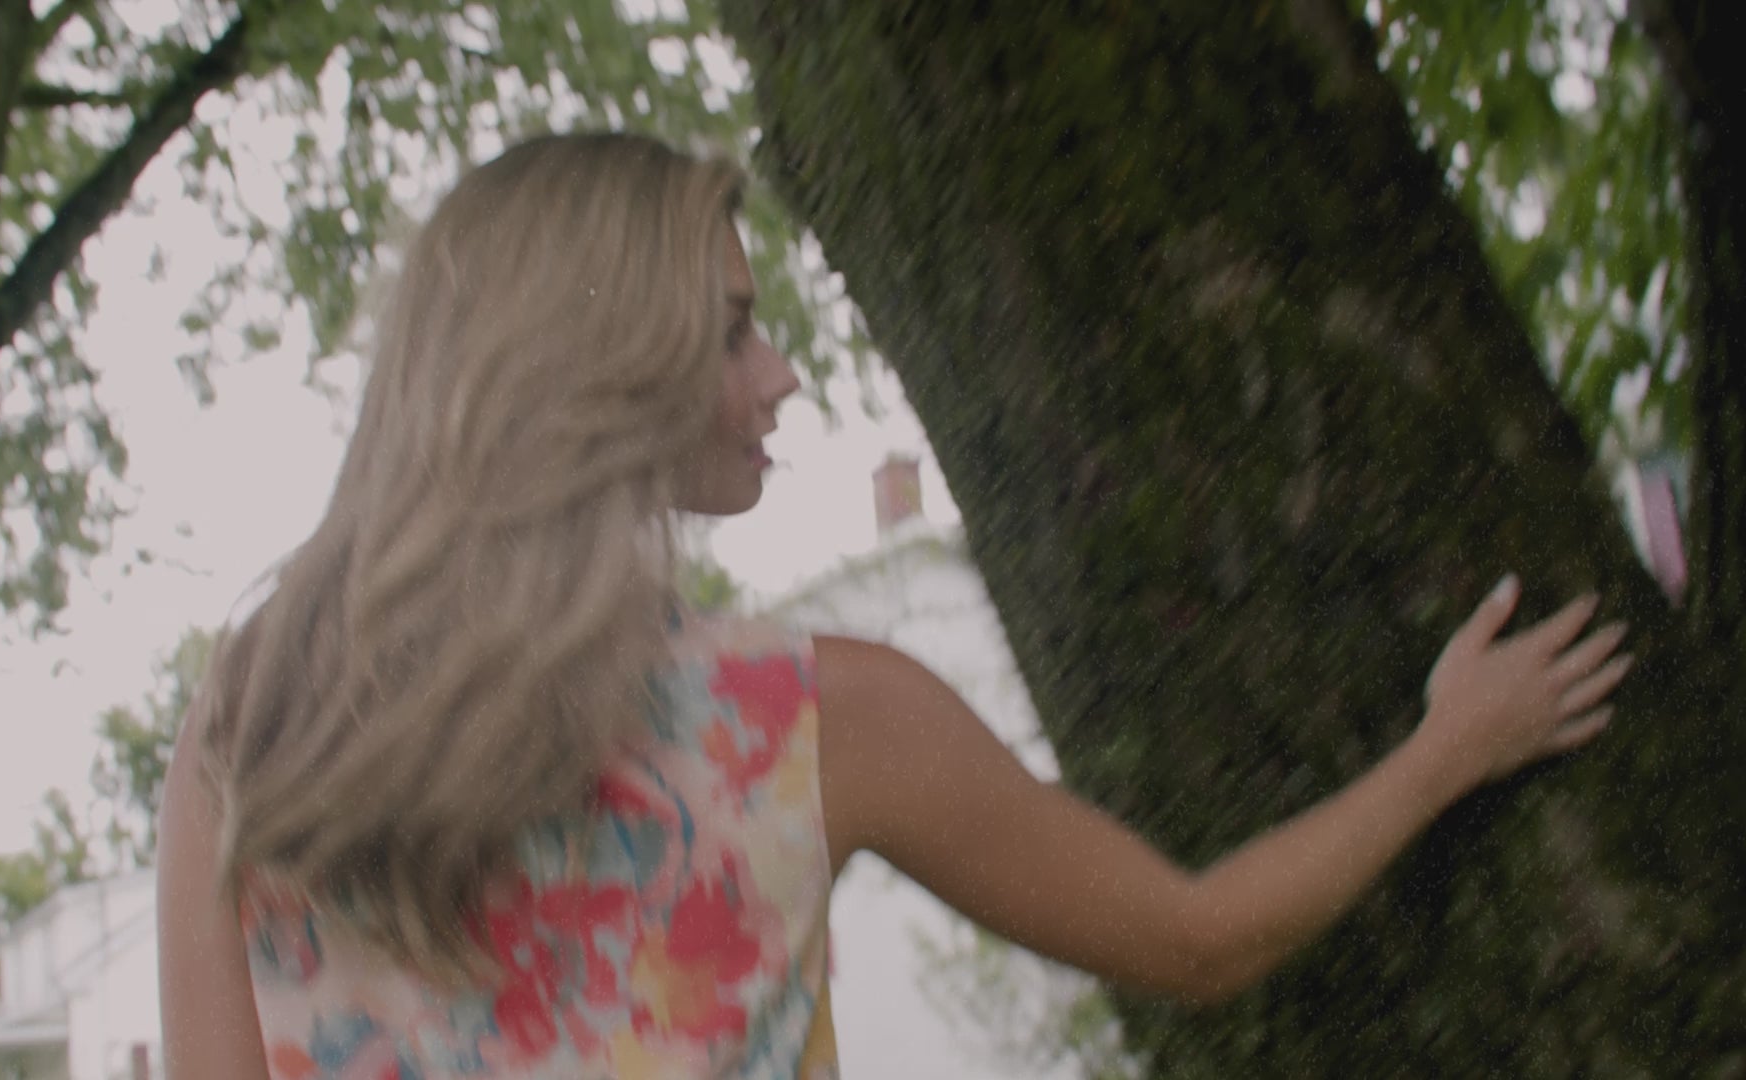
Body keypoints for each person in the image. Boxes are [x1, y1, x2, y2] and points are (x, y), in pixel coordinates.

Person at [156, 133, 1633, 1080]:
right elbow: (1197, 942)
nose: (780, 374)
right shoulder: (807, 720)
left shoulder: (254, 716)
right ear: (595, 364)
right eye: (733, 332)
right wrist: (1449, 752)